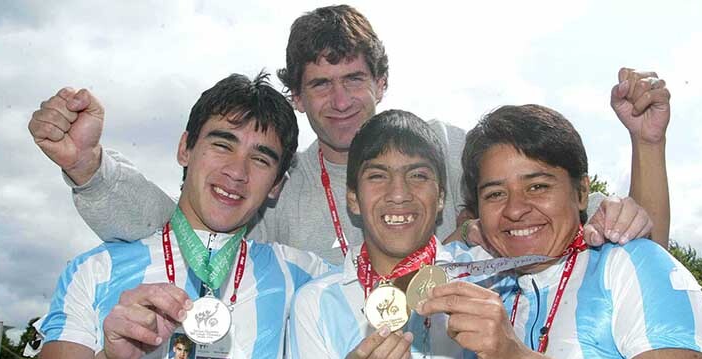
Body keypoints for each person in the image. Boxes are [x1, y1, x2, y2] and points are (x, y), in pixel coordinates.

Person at [43, 6, 665, 265]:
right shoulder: (277, 183)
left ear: (383, 81)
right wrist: (91, 170)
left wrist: (646, 147)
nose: (340, 102)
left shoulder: (453, 147)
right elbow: (182, 232)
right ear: (296, 94)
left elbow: (605, 246)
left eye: (354, 78)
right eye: (319, 84)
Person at [19, 73, 330, 359]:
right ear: (185, 148)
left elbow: (382, 281)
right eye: (222, 144)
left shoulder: (300, 276)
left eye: (261, 159)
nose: (237, 171)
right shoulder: (94, 271)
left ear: (277, 185)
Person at [418, 103, 702, 359]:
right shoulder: (489, 279)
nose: (515, 209)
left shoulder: (630, 266)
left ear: (580, 193)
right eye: (495, 194)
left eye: (537, 187)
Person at [289, 109, 501, 359]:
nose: (398, 193)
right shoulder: (315, 303)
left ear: (442, 196)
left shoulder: (482, 278)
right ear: (353, 199)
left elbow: (559, 237)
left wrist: (613, 212)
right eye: (377, 176)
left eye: (418, 175)